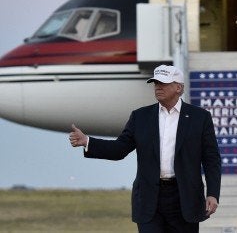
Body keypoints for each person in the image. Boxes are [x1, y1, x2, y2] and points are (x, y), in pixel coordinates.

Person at [69, 65, 221, 232]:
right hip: (150, 199)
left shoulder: (200, 117)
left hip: (185, 199)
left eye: (163, 83)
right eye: (155, 83)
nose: (158, 87)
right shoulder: (140, 117)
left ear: (179, 87)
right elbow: (119, 149)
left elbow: (211, 159)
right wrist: (88, 141)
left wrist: (213, 193)